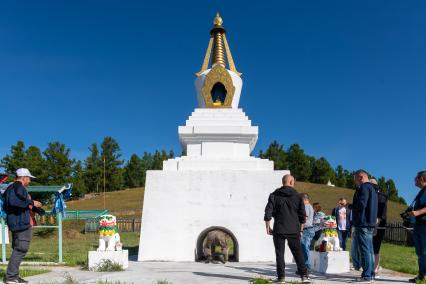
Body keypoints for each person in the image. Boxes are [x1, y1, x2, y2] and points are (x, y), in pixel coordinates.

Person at [264, 174, 311, 284]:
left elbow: (268, 212)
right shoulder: (298, 196)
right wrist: (301, 229)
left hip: (278, 228)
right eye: (293, 182)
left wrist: (268, 226)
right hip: (293, 229)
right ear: (291, 182)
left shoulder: (273, 195)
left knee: (279, 253)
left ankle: (281, 278)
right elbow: (302, 216)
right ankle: (304, 276)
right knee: (298, 253)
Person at [3, 168, 43, 284]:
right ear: (24, 177)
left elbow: (13, 203)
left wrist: (34, 208)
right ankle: (11, 277)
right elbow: (13, 202)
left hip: (16, 221)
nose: (30, 181)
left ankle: (14, 276)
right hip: (20, 223)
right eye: (29, 178)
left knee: (19, 248)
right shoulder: (17, 187)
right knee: (21, 248)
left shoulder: (12, 187)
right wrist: (31, 202)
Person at [351, 169, 378, 283]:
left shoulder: (364, 187)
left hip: (363, 223)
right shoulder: (373, 188)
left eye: (355, 179)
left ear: (361, 177)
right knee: (370, 250)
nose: (355, 182)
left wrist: (350, 206)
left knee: (365, 250)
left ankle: (367, 276)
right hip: (370, 222)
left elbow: (362, 204)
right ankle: (370, 274)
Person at [408, 171, 426, 283]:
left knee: (424, 251)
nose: (414, 180)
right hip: (418, 225)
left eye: (416, 178)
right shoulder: (421, 192)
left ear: (421, 179)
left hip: (424, 225)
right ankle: (421, 275)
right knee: (420, 252)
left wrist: (418, 212)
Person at [369, 178, 387, 278]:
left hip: (378, 226)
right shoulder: (373, 196)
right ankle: (373, 267)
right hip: (372, 225)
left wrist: (376, 226)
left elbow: (381, 214)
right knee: (371, 248)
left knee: (375, 248)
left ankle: (375, 269)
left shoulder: (381, 196)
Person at [299, 193, 315, 272]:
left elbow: (304, 218)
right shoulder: (309, 206)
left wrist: (300, 229)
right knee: (304, 248)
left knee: (305, 248)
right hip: (308, 229)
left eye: (300, 200)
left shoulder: (306, 206)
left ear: (305, 199)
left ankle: (307, 267)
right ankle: (305, 266)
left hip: (306, 229)